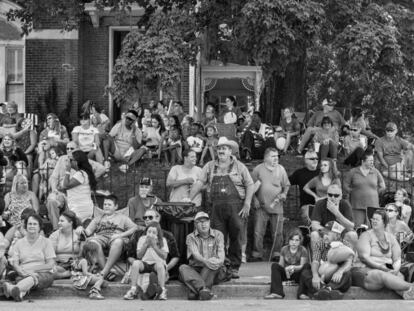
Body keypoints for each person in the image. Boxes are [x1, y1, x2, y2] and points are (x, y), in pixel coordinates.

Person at [189, 137, 254, 279]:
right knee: (218, 237)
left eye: (224, 148)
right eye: (219, 148)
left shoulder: (240, 166)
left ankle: (234, 267)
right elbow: (200, 182)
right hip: (216, 207)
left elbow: (250, 184)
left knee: (236, 236)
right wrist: (189, 198)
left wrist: (247, 203)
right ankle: (223, 266)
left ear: (230, 151)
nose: (221, 151)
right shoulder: (209, 166)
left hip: (236, 206)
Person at [352, 209, 414, 299]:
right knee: (381, 274)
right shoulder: (365, 235)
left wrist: (395, 269)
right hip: (365, 270)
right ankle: (410, 287)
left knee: (399, 275)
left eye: (377, 219)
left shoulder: (391, 238)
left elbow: (397, 258)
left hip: (387, 269)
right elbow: (364, 258)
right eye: (372, 219)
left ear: (384, 222)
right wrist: (381, 267)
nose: (373, 221)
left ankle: (406, 293)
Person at [45, 141, 105, 230]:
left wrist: (90, 178)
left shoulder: (82, 165)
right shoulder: (62, 159)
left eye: (72, 149)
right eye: (67, 148)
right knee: (52, 200)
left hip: (76, 199)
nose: (69, 150)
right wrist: (54, 189)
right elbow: (53, 177)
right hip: (62, 193)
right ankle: (56, 228)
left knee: (78, 226)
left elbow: (102, 168)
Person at [80, 195, 138, 279]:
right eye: (105, 204)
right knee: (93, 242)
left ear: (116, 207)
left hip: (116, 238)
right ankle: (106, 273)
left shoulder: (123, 218)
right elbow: (88, 231)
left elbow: (135, 227)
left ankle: (104, 272)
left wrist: (120, 235)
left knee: (118, 241)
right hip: (100, 238)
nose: (106, 206)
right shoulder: (97, 218)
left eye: (109, 205)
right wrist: (82, 231)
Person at [3, 214, 55, 302]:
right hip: (22, 273)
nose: (32, 226)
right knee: (18, 277)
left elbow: (50, 264)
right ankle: (19, 292)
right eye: (30, 224)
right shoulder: (19, 243)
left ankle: (12, 289)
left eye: (35, 224)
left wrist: (31, 270)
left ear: (39, 227)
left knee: (33, 278)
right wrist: (21, 271)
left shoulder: (46, 242)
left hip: (42, 274)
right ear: (26, 226)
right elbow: (15, 263)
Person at [250, 148, 290, 261]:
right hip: (261, 206)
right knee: (258, 232)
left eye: (277, 156)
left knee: (278, 233)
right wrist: (254, 199)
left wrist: (284, 194)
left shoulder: (281, 169)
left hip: (277, 206)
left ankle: (276, 254)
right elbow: (250, 186)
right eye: (273, 156)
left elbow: (286, 185)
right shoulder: (258, 169)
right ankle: (257, 255)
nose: (276, 158)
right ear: (266, 158)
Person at [299, 221, 354, 300]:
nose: (325, 236)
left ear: (337, 235)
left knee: (347, 274)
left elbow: (349, 263)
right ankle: (326, 291)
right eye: (324, 234)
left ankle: (327, 290)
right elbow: (315, 261)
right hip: (322, 277)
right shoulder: (319, 243)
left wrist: (340, 271)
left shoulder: (346, 245)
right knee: (306, 272)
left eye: (328, 234)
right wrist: (315, 276)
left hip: (336, 279)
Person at [179, 212, 225, 300]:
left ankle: (196, 292)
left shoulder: (218, 234)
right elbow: (195, 254)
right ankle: (203, 290)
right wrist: (206, 261)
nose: (203, 224)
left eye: (206, 221)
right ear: (195, 224)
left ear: (209, 222)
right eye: (200, 222)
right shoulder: (190, 237)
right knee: (182, 268)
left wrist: (216, 261)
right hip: (196, 269)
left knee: (211, 265)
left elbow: (221, 254)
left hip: (214, 269)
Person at [126, 209, 180, 284]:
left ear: (158, 218)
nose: (147, 219)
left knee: (155, 279)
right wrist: (135, 269)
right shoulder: (138, 235)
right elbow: (130, 256)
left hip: (160, 268)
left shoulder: (167, 235)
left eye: (150, 217)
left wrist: (166, 269)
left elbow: (175, 256)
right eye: (145, 217)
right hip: (143, 268)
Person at [123, 222, 169, 300]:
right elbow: (139, 256)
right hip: (145, 263)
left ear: (158, 234)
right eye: (149, 231)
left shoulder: (162, 240)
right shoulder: (142, 239)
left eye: (154, 232)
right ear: (146, 232)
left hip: (156, 264)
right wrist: (145, 245)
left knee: (160, 265)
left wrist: (154, 246)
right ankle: (133, 290)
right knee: (135, 263)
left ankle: (162, 290)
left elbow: (164, 256)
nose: (151, 234)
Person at [343, 151, 386, 227]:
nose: (372, 162)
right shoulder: (353, 172)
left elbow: (383, 186)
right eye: (370, 160)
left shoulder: (375, 172)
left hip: (372, 206)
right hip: (357, 206)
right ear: (363, 161)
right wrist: (352, 192)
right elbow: (345, 184)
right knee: (358, 227)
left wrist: (375, 193)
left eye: (373, 160)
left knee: (372, 228)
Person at [264, 229, 309, 299]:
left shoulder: (302, 250)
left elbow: (302, 266)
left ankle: (302, 293)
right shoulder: (284, 249)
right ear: (288, 240)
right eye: (292, 240)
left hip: (298, 275)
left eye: (297, 240)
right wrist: (277, 276)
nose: (294, 242)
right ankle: (277, 293)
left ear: (300, 241)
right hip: (287, 274)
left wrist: (293, 267)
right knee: (275, 265)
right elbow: (281, 265)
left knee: (307, 266)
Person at [60, 150, 96, 223]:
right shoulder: (83, 173)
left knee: (78, 231)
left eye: (70, 160)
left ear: (77, 161)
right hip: (81, 207)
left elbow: (65, 186)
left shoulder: (80, 174)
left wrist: (67, 171)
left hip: (80, 208)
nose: (68, 162)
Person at [2, 174, 39, 241]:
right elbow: (2, 209)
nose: (25, 185)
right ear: (16, 184)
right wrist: (5, 214)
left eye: (26, 183)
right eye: (22, 183)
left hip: (27, 223)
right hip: (11, 224)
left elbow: (36, 211)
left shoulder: (31, 194)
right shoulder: (9, 195)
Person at [289, 151, 320, 225]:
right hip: (306, 205)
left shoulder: (322, 172)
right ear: (306, 160)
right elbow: (286, 183)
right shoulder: (299, 173)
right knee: (309, 223)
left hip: (321, 204)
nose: (315, 160)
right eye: (312, 159)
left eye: (316, 158)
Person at [49, 211, 81, 279]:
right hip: (60, 265)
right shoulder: (55, 235)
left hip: (75, 265)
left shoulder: (78, 234)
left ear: (70, 223)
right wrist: (53, 265)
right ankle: (65, 275)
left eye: (62, 221)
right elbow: (50, 254)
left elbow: (84, 253)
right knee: (49, 271)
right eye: (59, 221)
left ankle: (68, 274)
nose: (59, 223)